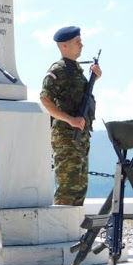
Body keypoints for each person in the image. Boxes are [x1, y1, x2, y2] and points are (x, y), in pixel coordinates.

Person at [40, 26, 102, 207]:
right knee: (67, 188)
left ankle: (73, 230)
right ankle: (59, 231)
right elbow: (45, 99)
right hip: (66, 136)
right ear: (65, 45)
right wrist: (70, 120)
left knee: (80, 186)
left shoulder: (75, 70)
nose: (82, 45)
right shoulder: (58, 70)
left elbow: (78, 98)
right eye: (77, 42)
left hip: (80, 136)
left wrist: (94, 79)